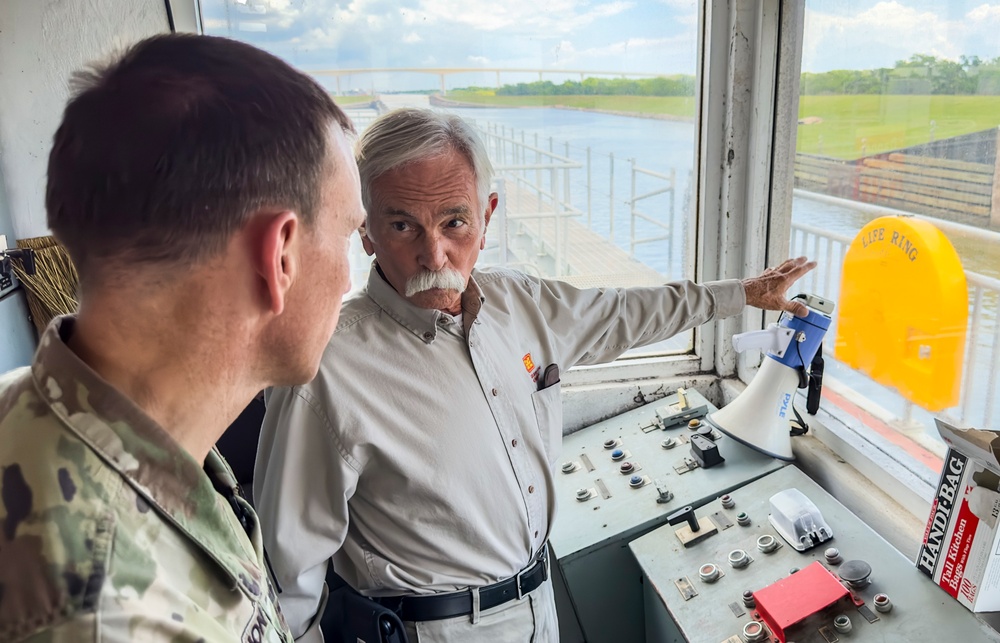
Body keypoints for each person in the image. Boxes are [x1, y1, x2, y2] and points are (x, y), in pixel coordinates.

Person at [255, 107, 815, 642]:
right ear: (366, 232)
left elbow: (624, 312)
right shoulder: (325, 367)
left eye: (455, 222)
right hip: (431, 630)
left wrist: (739, 295)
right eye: (403, 226)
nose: (435, 254)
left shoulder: (518, 301)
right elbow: (288, 570)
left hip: (539, 605)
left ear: (488, 216)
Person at [0, 33, 364, 642]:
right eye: (348, 235)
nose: (351, 274)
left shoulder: (31, 403)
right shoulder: (110, 616)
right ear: (278, 257)